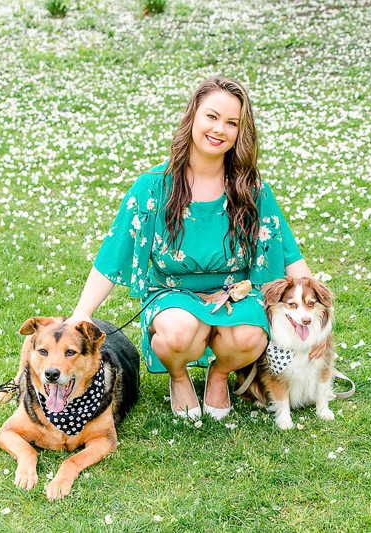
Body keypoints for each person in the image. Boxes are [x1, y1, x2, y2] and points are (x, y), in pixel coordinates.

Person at [66, 77, 313, 421]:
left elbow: (287, 254)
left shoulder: (251, 189)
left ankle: (219, 375)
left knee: (250, 336)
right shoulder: (153, 187)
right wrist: (81, 314)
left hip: (236, 294)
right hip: (172, 293)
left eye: (232, 123)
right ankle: (179, 376)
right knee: (178, 332)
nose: (219, 129)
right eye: (212, 116)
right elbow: (112, 254)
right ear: (193, 115)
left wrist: (314, 319)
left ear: (241, 132)